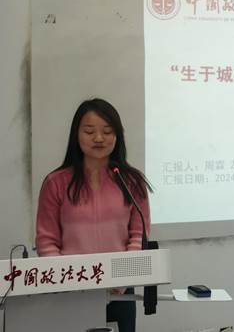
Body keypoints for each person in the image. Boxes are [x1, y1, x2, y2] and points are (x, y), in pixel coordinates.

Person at [35, 98, 152, 332]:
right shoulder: (56, 183)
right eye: (89, 131)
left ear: (117, 136)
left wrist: (121, 281)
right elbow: (46, 241)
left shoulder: (131, 181)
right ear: (76, 135)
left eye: (107, 132)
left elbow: (139, 236)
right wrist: (68, 282)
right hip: (71, 293)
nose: (99, 138)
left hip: (120, 293)